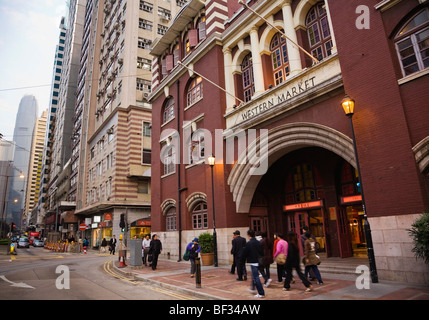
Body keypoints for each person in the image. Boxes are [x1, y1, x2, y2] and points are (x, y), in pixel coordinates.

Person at [241, 229, 265, 298]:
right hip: (259, 261)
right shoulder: (258, 242)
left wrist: (243, 260)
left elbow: (245, 253)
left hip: (253, 262)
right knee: (254, 276)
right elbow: (261, 252)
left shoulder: (248, 243)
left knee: (256, 277)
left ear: (248, 235)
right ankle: (253, 288)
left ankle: (261, 293)